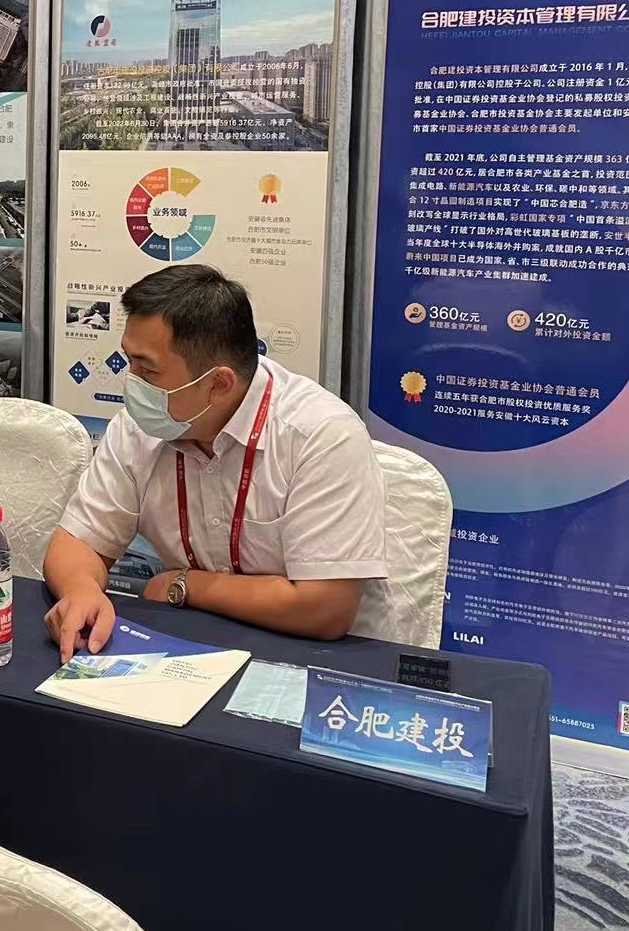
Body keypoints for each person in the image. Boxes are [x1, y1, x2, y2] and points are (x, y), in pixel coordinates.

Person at [44, 266, 395, 657]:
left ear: (219, 384)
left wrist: (184, 584)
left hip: (322, 657)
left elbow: (324, 609)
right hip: (193, 644)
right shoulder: (139, 428)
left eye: (148, 370)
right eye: (130, 361)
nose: (132, 381)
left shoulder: (320, 435)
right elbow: (75, 542)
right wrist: (82, 591)